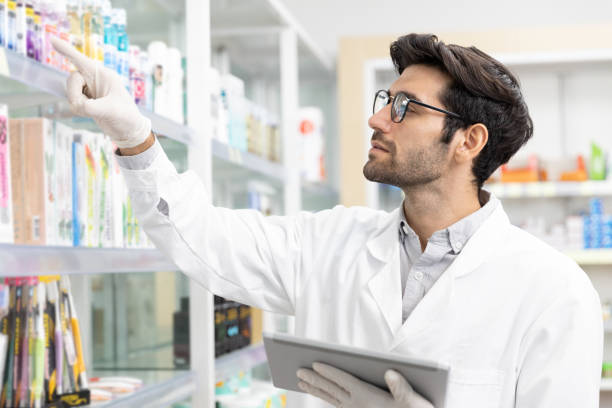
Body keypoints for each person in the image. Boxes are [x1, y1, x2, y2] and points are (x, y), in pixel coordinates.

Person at [51, 33, 603, 408]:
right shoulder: (330, 243)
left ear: (469, 140)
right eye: (386, 98)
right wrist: (133, 135)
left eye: (405, 107)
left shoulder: (553, 293)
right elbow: (202, 237)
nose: (376, 117)